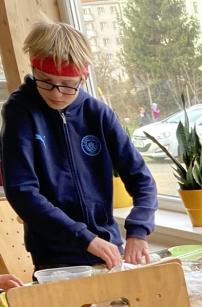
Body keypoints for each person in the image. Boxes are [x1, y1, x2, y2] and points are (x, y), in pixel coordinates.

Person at [0, 20, 156, 270]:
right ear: (34, 68)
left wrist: (139, 229)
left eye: (68, 84)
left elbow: (141, 178)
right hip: (55, 257)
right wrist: (84, 238)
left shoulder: (98, 114)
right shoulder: (20, 112)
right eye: (46, 80)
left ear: (83, 77)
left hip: (107, 248)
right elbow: (22, 191)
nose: (56, 93)